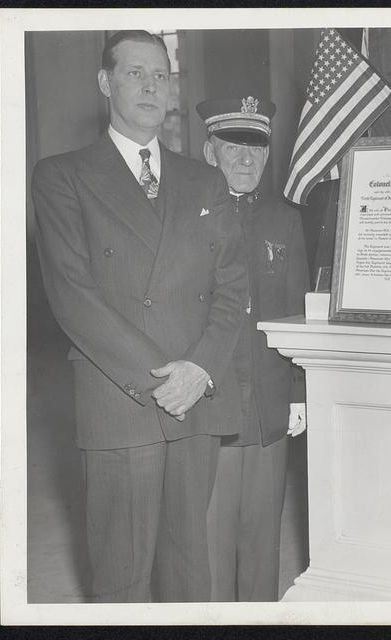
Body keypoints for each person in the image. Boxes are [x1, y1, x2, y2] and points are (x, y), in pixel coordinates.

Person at [31, 31, 249, 602]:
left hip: (196, 397)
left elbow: (232, 287)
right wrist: (166, 379)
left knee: (188, 573)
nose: (152, 86)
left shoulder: (205, 179)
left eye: (162, 75)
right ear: (105, 83)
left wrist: (199, 370)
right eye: (135, 73)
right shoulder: (63, 176)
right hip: (121, 398)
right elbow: (74, 296)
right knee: (122, 577)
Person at [196, 95, 309, 601]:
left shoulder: (285, 220)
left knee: (263, 540)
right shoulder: (187, 217)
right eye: (233, 147)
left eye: (257, 149)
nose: (246, 160)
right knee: (209, 543)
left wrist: (300, 393)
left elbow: (297, 311)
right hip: (208, 398)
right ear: (208, 151)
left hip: (267, 402)